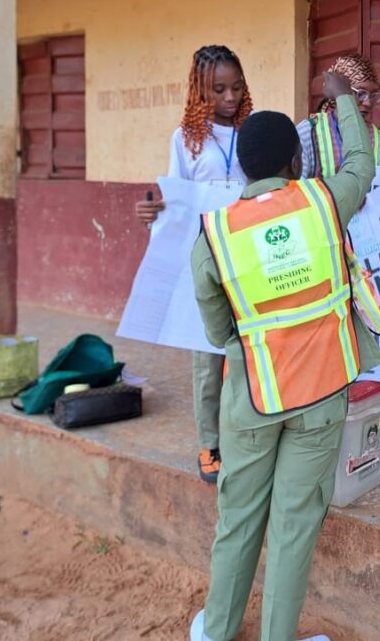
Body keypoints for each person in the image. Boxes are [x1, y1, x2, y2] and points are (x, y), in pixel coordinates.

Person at [189, 72, 380, 641]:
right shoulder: (324, 202)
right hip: (321, 395)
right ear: (297, 159)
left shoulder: (217, 233)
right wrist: (345, 100)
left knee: (238, 520)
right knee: (296, 525)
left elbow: (216, 328)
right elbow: (361, 165)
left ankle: (218, 631)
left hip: (253, 396)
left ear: (245, 169)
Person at [134, 44, 253, 484]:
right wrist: (153, 212)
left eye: (236, 87)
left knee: (249, 351)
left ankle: (247, 435)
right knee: (207, 355)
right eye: (218, 89)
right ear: (198, 90)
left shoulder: (252, 130)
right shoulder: (186, 139)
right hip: (205, 258)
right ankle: (211, 441)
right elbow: (174, 199)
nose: (229, 97)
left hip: (246, 256)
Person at [297, 53, 380, 177]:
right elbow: (297, 190)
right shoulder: (309, 132)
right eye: (360, 93)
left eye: (373, 96)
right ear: (338, 92)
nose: (368, 102)